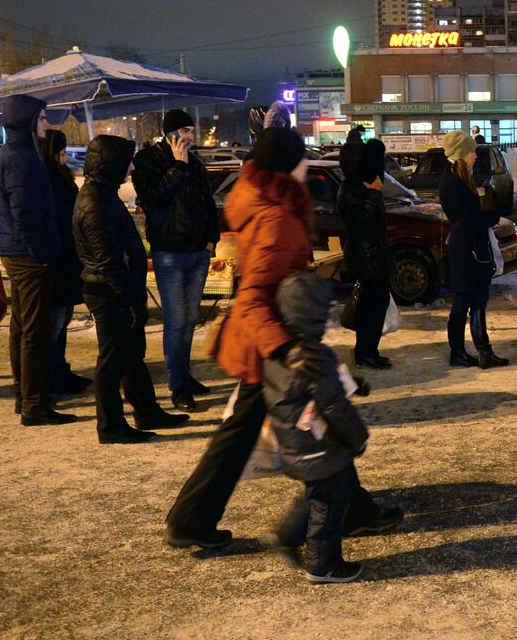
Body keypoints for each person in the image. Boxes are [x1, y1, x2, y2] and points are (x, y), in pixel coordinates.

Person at [166, 128, 402, 548]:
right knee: (311, 425)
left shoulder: (266, 204)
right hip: (270, 347)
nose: (307, 165)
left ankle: (192, 519)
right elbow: (256, 295)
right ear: (289, 165)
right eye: (302, 159)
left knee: (252, 433)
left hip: (269, 341)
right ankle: (193, 519)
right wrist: (287, 347)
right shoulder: (276, 217)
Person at [73, 136, 190, 444]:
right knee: (112, 360)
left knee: (131, 354)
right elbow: (107, 258)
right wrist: (129, 299)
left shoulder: (103, 194)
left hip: (119, 289)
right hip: (109, 291)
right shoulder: (94, 201)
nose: (133, 166)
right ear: (111, 163)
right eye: (128, 160)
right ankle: (110, 426)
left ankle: (147, 410)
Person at [262, 272, 371, 583]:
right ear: (313, 314)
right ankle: (323, 564)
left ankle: (286, 535)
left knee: (322, 492)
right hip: (319, 445)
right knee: (330, 503)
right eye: (325, 311)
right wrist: (357, 438)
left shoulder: (280, 352)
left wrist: (350, 384)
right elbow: (333, 405)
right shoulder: (312, 357)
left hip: (297, 444)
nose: (329, 318)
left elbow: (307, 391)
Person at [133, 109, 221, 411]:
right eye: (186, 131)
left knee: (189, 320)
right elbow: (155, 200)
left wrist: (212, 240)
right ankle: (178, 385)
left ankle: (184, 375)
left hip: (197, 252)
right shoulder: (148, 162)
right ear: (170, 134)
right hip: (169, 252)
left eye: (192, 131)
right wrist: (177, 167)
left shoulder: (195, 164)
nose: (191, 137)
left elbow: (207, 204)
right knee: (176, 321)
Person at [0, 94, 73, 425]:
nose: (48, 123)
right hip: (29, 256)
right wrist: (40, 251)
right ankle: (34, 404)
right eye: (42, 118)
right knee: (34, 332)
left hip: (21, 252)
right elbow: (23, 211)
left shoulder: (18, 153)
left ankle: (25, 396)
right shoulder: (22, 157)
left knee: (22, 327)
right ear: (27, 120)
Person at [439, 130, 508, 368]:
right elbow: (468, 218)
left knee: (478, 298)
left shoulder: (459, 177)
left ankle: (484, 352)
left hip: (472, 248)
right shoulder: (452, 181)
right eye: (471, 152)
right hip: (466, 250)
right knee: (464, 300)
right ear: (460, 153)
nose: (475, 157)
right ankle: (457, 352)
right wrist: (491, 216)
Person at [40, 129, 89, 400]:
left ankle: (60, 368)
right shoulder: (47, 177)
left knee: (62, 318)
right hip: (56, 259)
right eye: (60, 151)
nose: (64, 156)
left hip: (67, 257)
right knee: (55, 321)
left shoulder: (60, 175)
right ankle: (53, 373)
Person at [338, 138, 393, 369]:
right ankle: (365, 353)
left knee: (377, 303)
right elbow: (361, 223)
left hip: (373, 254)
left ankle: (370, 350)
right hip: (365, 255)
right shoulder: (354, 188)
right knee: (370, 305)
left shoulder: (363, 184)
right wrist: (373, 196)